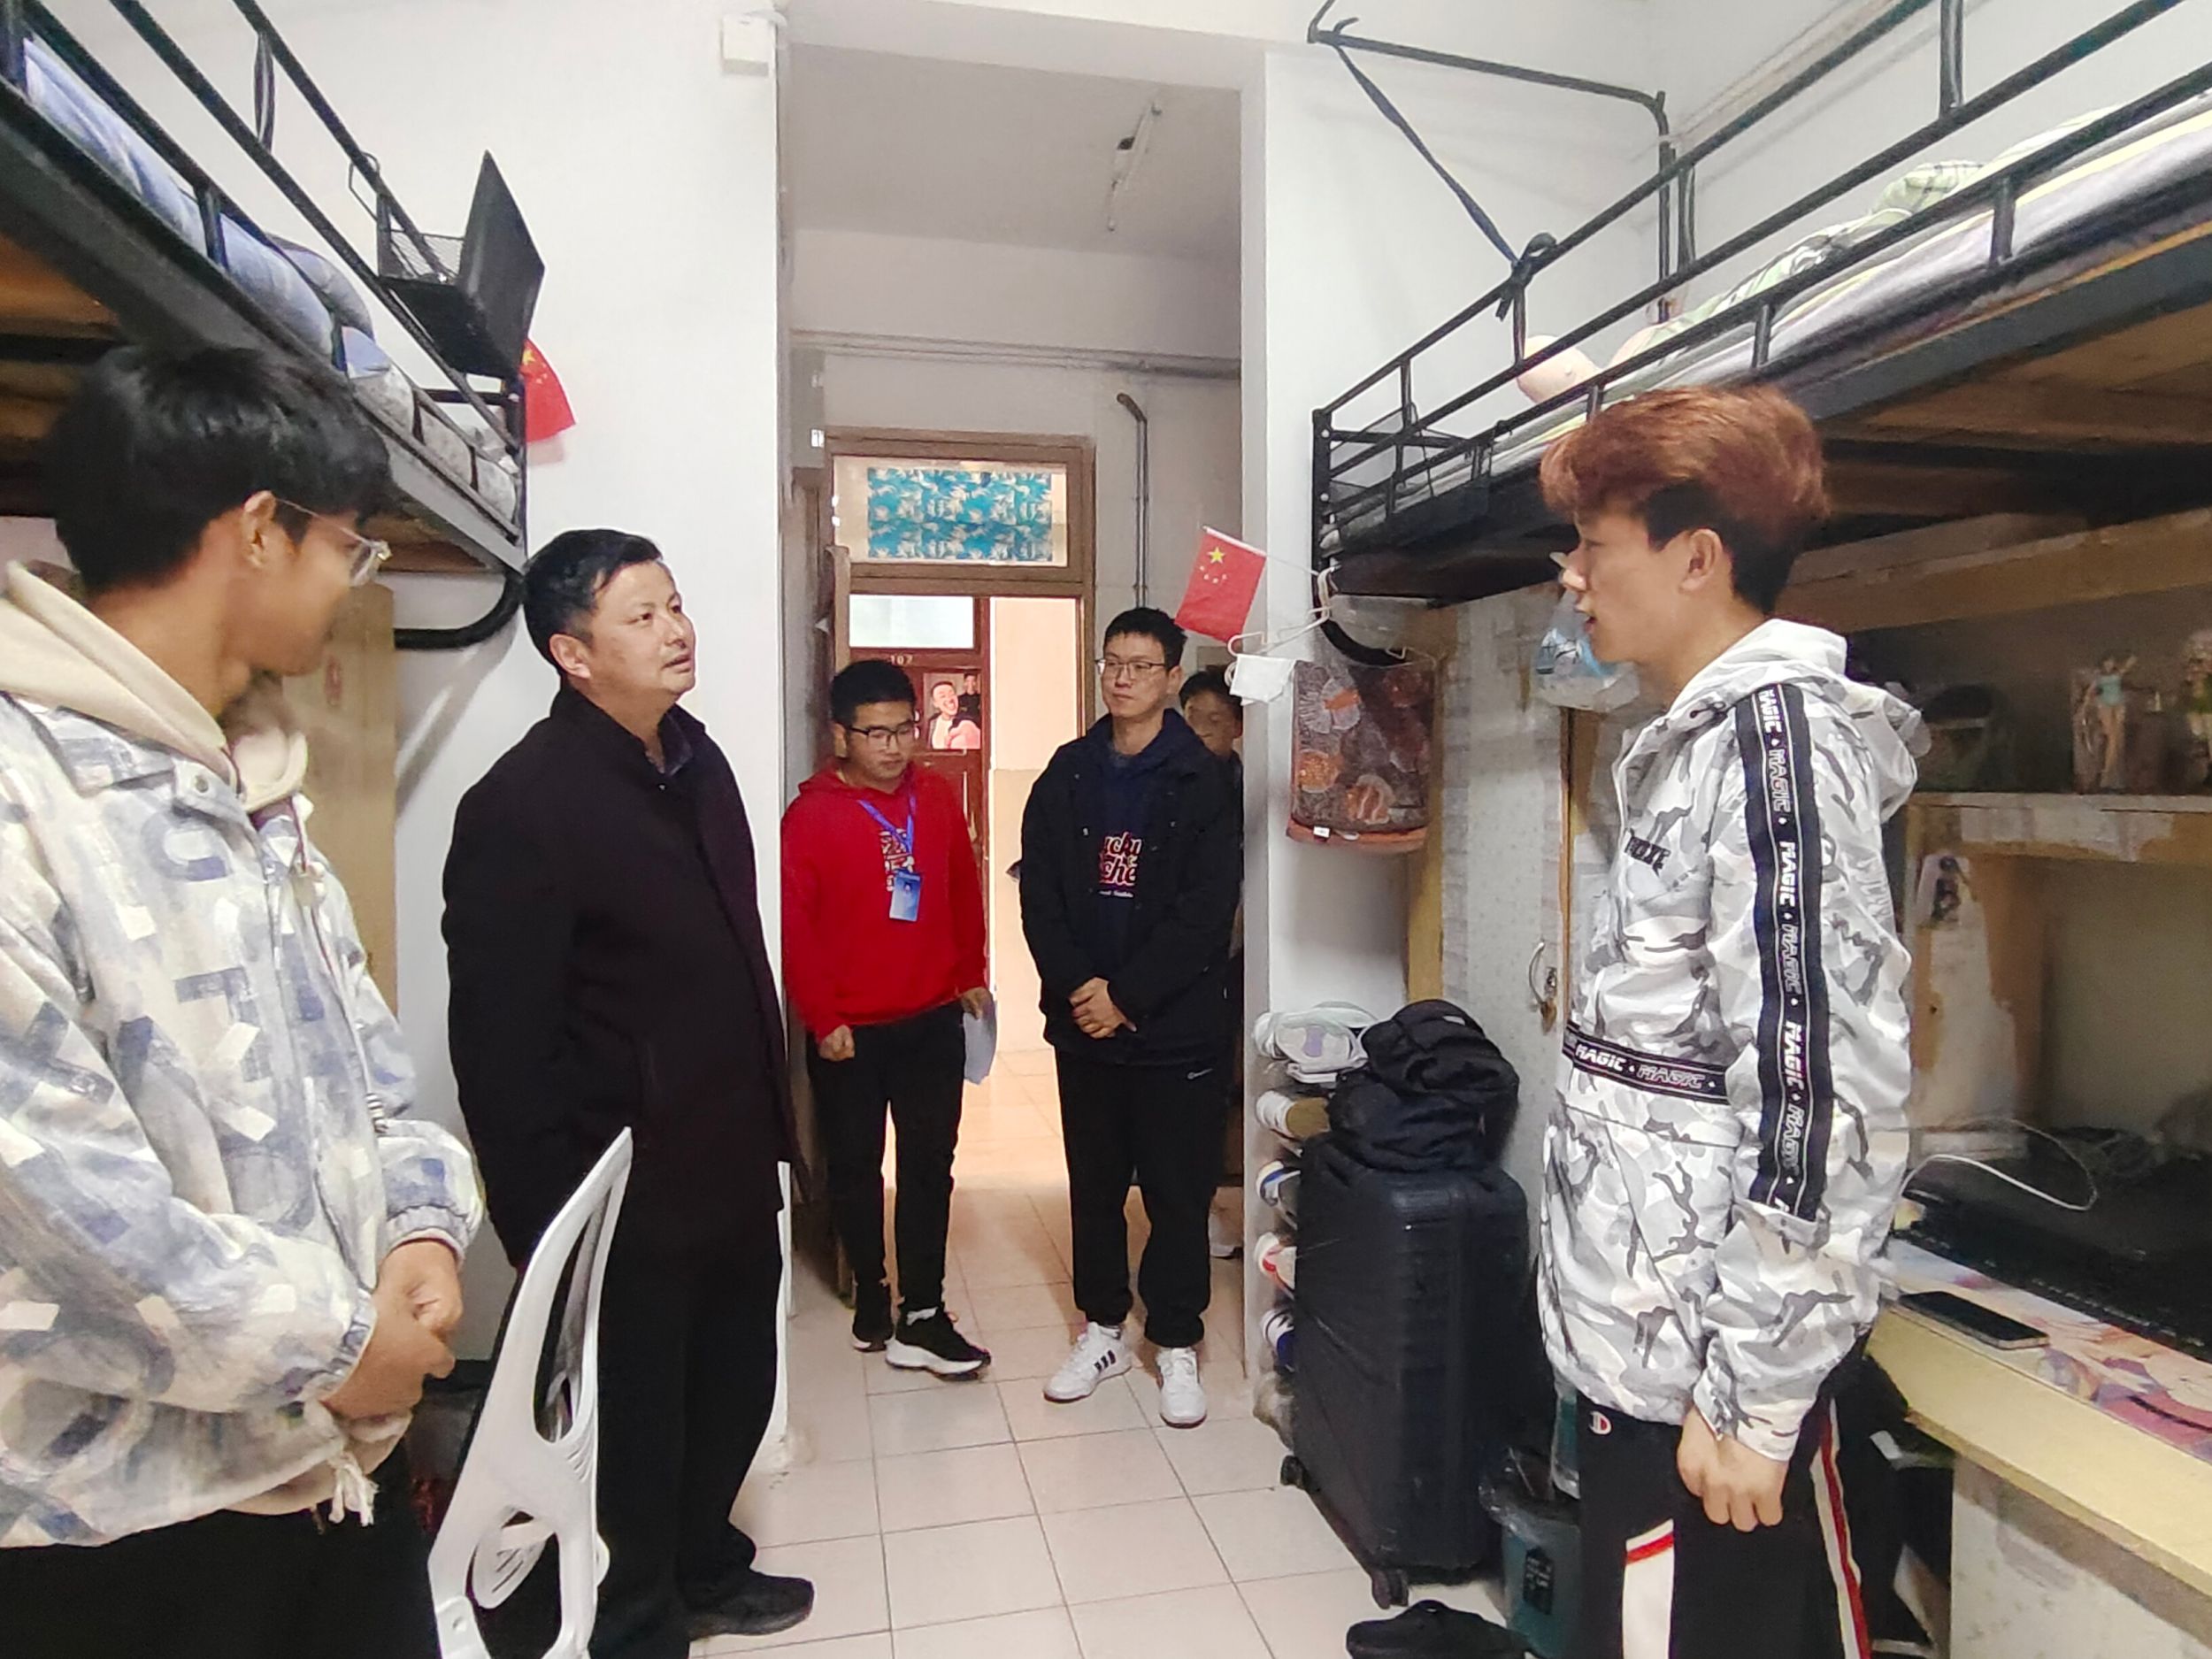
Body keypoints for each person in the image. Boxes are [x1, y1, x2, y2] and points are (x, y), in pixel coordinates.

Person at [0, 346, 481, 1659]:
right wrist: (343, 1341)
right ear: (260, 530)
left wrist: (423, 1232)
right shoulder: (31, 798)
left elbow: (370, 1073)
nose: (353, 578)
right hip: (119, 1533)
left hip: (329, 1470)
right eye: (349, 545)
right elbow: (62, 1219)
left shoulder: (254, 782)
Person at [1535, 386, 1918, 1659]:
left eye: (1595, 544)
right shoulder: (1693, 739)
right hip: (1647, 1355)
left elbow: (1823, 1087)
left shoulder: (1776, 747)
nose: (1571, 575)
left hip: (1709, 1383)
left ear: (1696, 559)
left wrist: (1757, 1398)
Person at [443, 531, 811, 1657]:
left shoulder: (698, 763)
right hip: (625, 1189)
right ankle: (634, 1618)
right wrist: (546, 1228)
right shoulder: (524, 805)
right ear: (572, 652)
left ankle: (704, 1566)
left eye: (676, 606)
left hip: (732, 1154)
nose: (676, 631)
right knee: (634, 1423)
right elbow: (499, 1046)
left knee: (734, 1386)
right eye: (642, 616)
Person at [1019, 607, 1241, 1428]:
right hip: (1085, 1029)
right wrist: (1082, 986)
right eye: (1112, 661)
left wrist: (1127, 995)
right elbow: (1040, 892)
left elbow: (1205, 912)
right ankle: (1104, 1328)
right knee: (1095, 1187)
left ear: (1171, 677)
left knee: (1179, 1192)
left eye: (1141, 665)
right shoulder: (1068, 771)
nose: (1121, 677)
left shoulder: (1201, 779)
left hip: (1174, 1030)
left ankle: (1175, 1338)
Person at [782, 657, 993, 1374]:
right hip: (851, 1031)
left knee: (930, 1165)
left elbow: (962, 885)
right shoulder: (810, 817)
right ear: (841, 735)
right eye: (877, 733)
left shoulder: (933, 796)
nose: (895, 747)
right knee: (855, 1165)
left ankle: (923, 1309)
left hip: (931, 1016)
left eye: (904, 730)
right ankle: (872, 1289)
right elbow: (795, 926)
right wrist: (823, 1016)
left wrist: (970, 973)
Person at [1179, 666, 1246, 1262]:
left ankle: (1214, 1205)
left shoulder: (1242, 786)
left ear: (1239, 727)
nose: (1201, 732)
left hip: (1236, 953)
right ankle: (1191, 1211)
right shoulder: (1173, 781)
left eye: (1214, 721)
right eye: (1192, 719)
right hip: (1182, 961)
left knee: (1228, 1084)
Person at [929, 678, 982, 750]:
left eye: (952, 694)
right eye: (942, 696)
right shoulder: (932, 722)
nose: (949, 699)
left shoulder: (968, 721)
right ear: (935, 703)